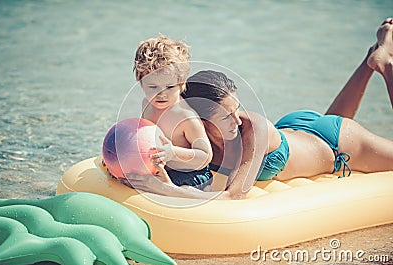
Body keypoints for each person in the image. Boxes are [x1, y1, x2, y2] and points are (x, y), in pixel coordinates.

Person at [126, 18, 393, 200]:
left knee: (339, 125)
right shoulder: (190, 128)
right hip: (295, 129)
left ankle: (387, 64)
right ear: (203, 121)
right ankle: (369, 59)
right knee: (331, 116)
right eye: (226, 116)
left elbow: (233, 197)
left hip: (338, 143)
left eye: (237, 108)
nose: (238, 119)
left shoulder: (253, 126)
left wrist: (159, 189)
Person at [131, 35, 213, 190]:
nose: (161, 94)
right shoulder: (147, 104)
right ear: (140, 82)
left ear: (181, 84)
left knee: (150, 188)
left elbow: (205, 156)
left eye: (170, 87)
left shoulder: (185, 116)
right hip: (161, 167)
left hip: (190, 175)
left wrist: (173, 152)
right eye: (153, 87)